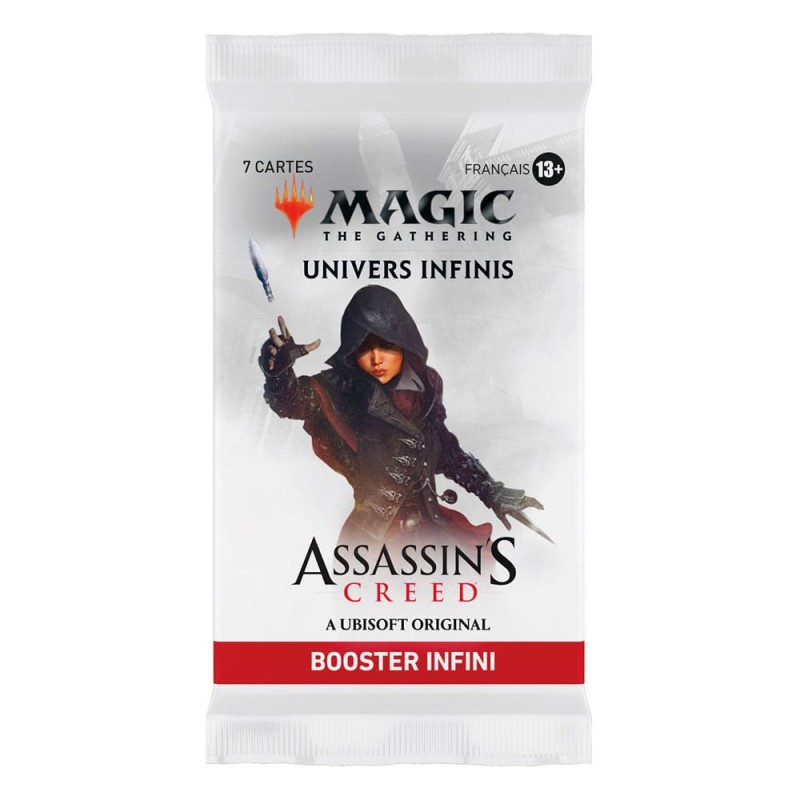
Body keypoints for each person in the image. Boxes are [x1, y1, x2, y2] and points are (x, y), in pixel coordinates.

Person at [259, 285, 547, 547]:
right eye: (364, 348)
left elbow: (446, 452)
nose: (376, 359)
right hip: (373, 543)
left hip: (431, 532)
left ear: (403, 343)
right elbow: (293, 402)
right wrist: (278, 374)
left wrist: (491, 490)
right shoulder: (339, 389)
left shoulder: (424, 388)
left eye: (385, 346)